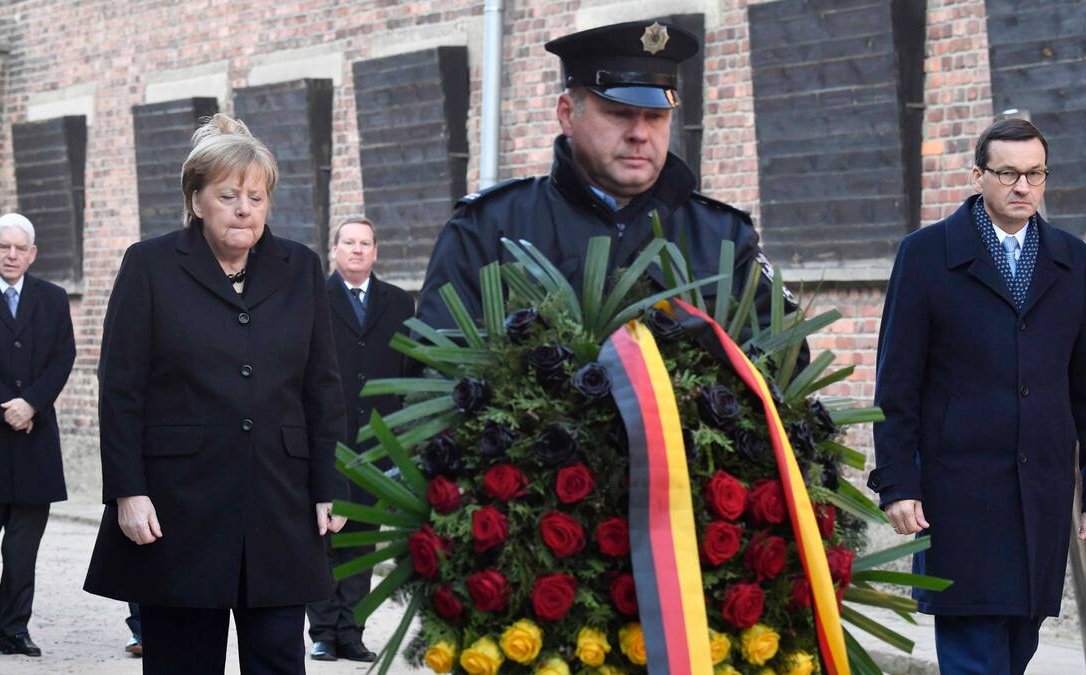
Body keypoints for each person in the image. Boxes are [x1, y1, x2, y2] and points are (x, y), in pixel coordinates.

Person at [83, 114, 348, 674]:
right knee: (183, 661)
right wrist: (128, 491)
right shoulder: (150, 265)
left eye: (256, 197)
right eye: (228, 196)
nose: (244, 209)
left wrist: (330, 483)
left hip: (278, 502)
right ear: (196, 201)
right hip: (180, 506)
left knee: (278, 659)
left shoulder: (300, 268)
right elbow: (122, 389)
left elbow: (322, 386)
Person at [417, 20, 800, 348]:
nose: (639, 133)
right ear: (567, 114)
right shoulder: (489, 228)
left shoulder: (723, 236)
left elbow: (784, 361)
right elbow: (433, 365)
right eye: (619, 113)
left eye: (655, 117)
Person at [871, 118, 1086, 674]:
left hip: (1040, 492)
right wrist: (897, 483)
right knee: (974, 652)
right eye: (1008, 173)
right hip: (959, 493)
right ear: (978, 176)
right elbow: (897, 382)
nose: (1023, 187)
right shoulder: (925, 256)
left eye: (1035, 174)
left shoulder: (1073, 261)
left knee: (1017, 650)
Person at [0, 213, 75, 659]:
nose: (11, 255)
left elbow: (63, 356)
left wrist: (33, 405)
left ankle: (15, 630)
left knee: (23, 549)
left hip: (34, 440)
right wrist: (4, 405)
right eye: (3, 247)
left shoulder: (53, 298)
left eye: (19, 248)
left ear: (32, 254)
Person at [307, 218, 420, 663]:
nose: (357, 250)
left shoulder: (399, 303)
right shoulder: (314, 297)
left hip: (376, 439)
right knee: (322, 537)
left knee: (362, 540)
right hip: (326, 437)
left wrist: (402, 437)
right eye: (349, 242)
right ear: (334, 250)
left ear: (375, 251)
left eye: (365, 243)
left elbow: (410, 370)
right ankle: (323, 632)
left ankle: (351, 631)